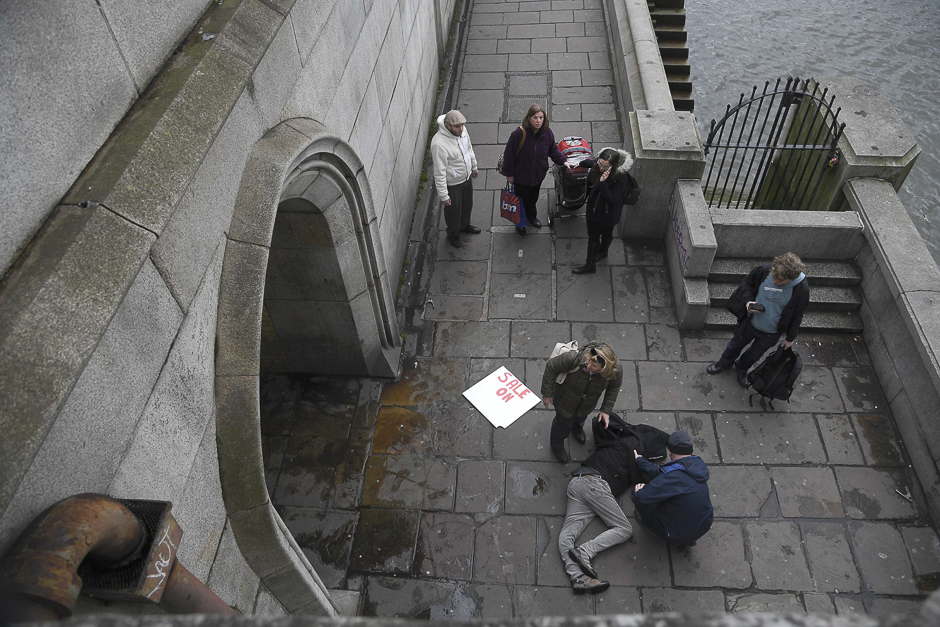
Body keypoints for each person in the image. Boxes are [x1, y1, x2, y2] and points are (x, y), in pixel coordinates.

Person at [559, 414, 670, 594]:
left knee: (567, 535)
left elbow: (638, 428)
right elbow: (641, 476)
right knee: (624, 529)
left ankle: (577, 578)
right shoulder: (633, 449)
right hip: (595, 485)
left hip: (577, 484)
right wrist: (656, 466)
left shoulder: (617, 438)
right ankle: (585, 552)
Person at [706, 252, 810, 386]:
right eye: (774, 276)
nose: (774, 281)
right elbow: (747, 285)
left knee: (754, 355)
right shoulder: (763, 271)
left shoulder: (801, 289)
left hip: (771, 332)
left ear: (791, 279)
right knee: (734, 345)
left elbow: (798, 314)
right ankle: (724, 362)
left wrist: (790, 338)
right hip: (749, 323)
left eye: (780, 281)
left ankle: (742, 368)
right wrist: (748, 302)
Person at [541, 341, 621, 463]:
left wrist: (606, 409)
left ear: (604, 368)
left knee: (580, 419)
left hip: (587, 404)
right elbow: (552, 366)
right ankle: (557, 447)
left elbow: (614, 387)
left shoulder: (614, 371)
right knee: (562, 426)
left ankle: (577, 428)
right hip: (565, 402)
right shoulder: (574, 359)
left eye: (594, 366)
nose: (588, 366)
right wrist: (547, 393)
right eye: (588, 360)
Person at [631, 431, 713, 546]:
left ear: (670, 453)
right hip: (704, 524)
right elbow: (661, 472)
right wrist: (641, 461)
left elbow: (642, 497)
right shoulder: (696, 465)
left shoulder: (674, 477)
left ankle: (652, 526)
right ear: (691, 452)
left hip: (678, 533)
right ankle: (687, 536)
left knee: (638, 496)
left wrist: (638, 492)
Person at [500, 104, 571, 236]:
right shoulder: (518, 134)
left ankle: (532, 217)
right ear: (529, 118)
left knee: (532, 199)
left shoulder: (547, 133)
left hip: (538, 176)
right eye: (535, 117)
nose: (538, 121)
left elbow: (553, 150)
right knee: (520, 200)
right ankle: (520, 224)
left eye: (541, 117)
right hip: (521, 177)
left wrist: (563, 161)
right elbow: (509, 155)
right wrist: (509, 174)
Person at [572, 148, 637, 274]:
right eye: (600, 164)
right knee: (593, 237)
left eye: (605, 166)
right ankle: (595, 259)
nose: (601, 168)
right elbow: (592, 163)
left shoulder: (620, 178)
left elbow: (612, 199)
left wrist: (602, 183)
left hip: (608, 214)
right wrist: (579, 164)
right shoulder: (599, 164)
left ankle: (598, 257)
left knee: (605, 235)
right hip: (594, 209)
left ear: (614, 165)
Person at [431, 110, 480, 248]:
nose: (461, 129)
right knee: (453, 212)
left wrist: (474, 166)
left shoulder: (462, 132)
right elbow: (439, 172)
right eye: (458, 127)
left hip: (466, 177)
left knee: (467, 205)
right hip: (453, 184)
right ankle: (453, 234)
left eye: (462, 126)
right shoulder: (439, 144)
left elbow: (469, 149)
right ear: (448, 125)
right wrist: (444, 195)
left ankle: (464, 226)